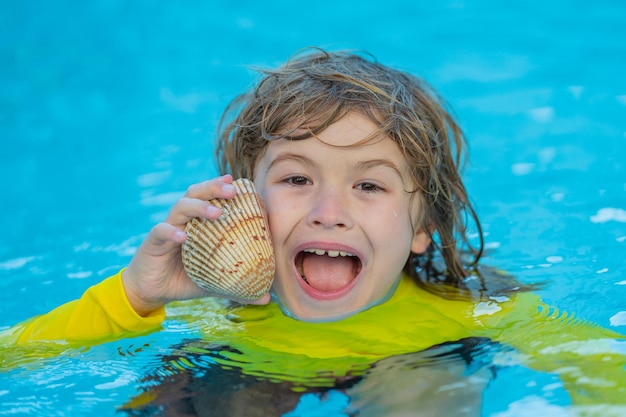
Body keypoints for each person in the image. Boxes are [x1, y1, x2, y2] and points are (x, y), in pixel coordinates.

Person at [2, 49, 625, 415]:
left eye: (370, 185)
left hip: (415, 359)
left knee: (417, 392)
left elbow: (606, 370)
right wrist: (132, 298)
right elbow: (15, 360)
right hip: (240, 368)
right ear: (245, 199)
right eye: (297, 180)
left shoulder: (472, 308)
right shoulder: (215, 315)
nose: (330, 211)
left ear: (421, 228)